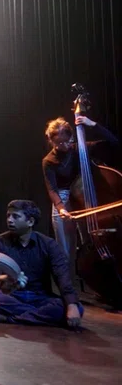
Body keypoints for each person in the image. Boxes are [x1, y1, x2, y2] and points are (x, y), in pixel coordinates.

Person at [0, 200, 82, 328]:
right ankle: (38, 316)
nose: (9, 220)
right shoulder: (0, 242)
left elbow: (62, 277)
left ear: (30, 222)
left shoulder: (48, 245)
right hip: (12, 296)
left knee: (76, 308)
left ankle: (10, 318)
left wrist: (71, 304)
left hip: (40, 297)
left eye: (15, 216)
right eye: (8, 216)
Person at [42, 115, 119, 271]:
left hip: (84, 194)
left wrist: (93, 124)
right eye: (59, 143)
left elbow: (114, 143)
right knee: (66, 248)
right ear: (51, 141)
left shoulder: (80, 148)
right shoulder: (48, 161)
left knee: (89, 240)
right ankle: (69, 279)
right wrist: (60, 208)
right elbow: (52, 189)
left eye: (67, 141)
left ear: (71, 137)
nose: (65, 146)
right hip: (63, 197)